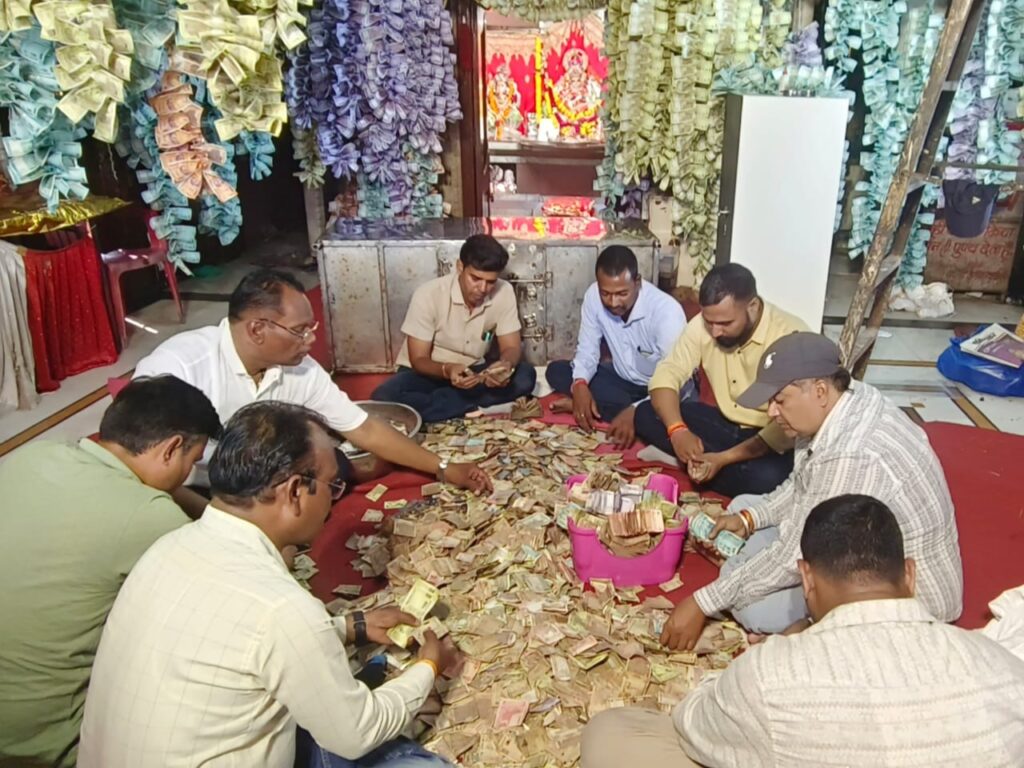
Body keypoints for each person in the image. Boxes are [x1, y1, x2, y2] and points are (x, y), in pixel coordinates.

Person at [79, 401, 458, 768]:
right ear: (295, 492)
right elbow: (357, 733)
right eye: (332, 486)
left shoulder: (167, 547)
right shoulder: (282, 607)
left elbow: (232, 640)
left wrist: (349, 626)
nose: (332, 500)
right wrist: (427, 667)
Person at [583, 495, 1024, 768]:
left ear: (807, 580)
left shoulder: (767, 675)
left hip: (757, 694)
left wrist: (781, 650)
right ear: (910, 575)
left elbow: (692, 724)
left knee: (611, 735)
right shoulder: (1002, 669)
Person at [661, 332, 964, 650]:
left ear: (819, 391)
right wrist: (750, 519)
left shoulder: (852, 452)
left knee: (752, 608)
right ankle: (749, 576)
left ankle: (811, 627)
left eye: (780, 400)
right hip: (858, 544)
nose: (771, 413)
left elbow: (791, 555)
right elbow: (802, 482)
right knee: (743, 505)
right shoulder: (842, 399)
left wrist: (702, 602)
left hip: (904, 592)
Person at [0, 376, 221, 768]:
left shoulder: (34, 455)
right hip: (44, 744)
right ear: (172, 448)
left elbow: (150, 487)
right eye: (192, 460)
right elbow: (223, 592)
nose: (188, 474)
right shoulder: (149, 518)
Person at [134, 268, 490, 506]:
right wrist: (220, 521)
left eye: (311, 328)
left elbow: (362, 426)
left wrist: (444, 467)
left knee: (333, 465)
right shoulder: (180, 368)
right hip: (195, 493)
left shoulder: (300, 369)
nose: (310, 341)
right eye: (300, 330)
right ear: (257, 329)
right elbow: (143, 471)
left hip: (265, 484)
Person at [635, 263, 807, 497]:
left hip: (770, 437)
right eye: (709, 322)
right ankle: (700, 461)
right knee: (646, 413)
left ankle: (696, 464)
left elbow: (788, 427)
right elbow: (668, 372)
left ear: (753, 306)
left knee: (769, 479)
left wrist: (723, 459)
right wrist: (677, 431)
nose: (715, 332)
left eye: (725, 324)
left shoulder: (789, 336)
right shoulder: (705, 324)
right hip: (726, 424)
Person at [371, 234, 536, 423]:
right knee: (384, 397)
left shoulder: (504, 291)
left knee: (525, 376)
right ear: (460, 267)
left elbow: (512, 348)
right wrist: (448, 370)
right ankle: (468, 404)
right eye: (475, 278)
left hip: (475, 374)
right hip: (429, 372)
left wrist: (505, 366)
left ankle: (446, 406)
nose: (482, 288)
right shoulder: (428, 294)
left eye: (490, 282)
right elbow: (418, 359)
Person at [545, 245, 692, 448]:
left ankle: (614, 411)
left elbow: (679, 381)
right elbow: (588, 349)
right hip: (622, 380)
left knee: (671, 416)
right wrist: (579, 385)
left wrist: (635, 410)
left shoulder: (666, 312)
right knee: (558, 372)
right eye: (606, 293)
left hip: (663, 390)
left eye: (622, 293)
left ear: (637, 283)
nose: (613, 302)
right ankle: (609, 408)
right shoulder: (593, 297)